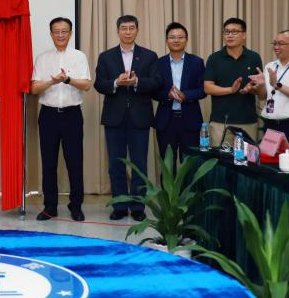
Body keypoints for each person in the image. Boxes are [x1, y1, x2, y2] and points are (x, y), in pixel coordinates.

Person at [94, 15, 161, 221]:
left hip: (140, 117)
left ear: (137, 30)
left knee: (139, 164)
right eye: (124, 28)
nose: (128, 32)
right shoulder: (106, 57)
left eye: (132, 28)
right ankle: (120, 206)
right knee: (116, 164)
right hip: (114, 118)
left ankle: (138, 207)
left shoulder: (149, 56)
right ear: (118, 31)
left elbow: (156, 82)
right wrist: (116, 82)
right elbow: (99, 84)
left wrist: (137, 82)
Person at [30, 17, 92, 222]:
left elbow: (86, 85)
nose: (60, 35)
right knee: (49, 163)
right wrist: (52, 81)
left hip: (72, 115)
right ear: (51, 34)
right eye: (56, 31)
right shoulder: (42, 58)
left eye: (64, 31)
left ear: (70, 33)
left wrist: (67, 79)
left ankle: (76, 206)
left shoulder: (79, 57)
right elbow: (34, 88)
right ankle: (50, 207)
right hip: (48, 115)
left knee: (75, 162)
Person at [203, 18, 263, 147]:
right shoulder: (214, 58)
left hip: (248, 121)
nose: (230, 35)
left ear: (244, 35)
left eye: (234, 32)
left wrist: (252, 88)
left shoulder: (254, 57)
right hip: (220, 121)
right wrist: (231, 90)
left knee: (247, 159)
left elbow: (262, 94)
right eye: (226, 32)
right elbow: (207, 88)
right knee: (220, 158)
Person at [153, 22, 206, 161]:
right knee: (167, 165)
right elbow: (153, 91)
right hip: (166, 121)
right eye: (172, 37)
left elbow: (203, 90)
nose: (176, 40)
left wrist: (185, 95)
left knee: (190, 165)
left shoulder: (197, 62)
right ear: (166, 40)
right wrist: (167, 95)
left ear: (186, 40)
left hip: (190, 121)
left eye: (180, 37)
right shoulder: (158, 63)